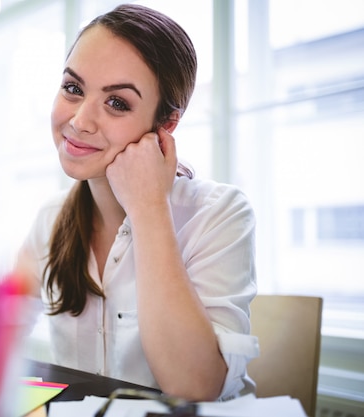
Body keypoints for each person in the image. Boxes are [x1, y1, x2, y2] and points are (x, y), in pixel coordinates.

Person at [16, 4, 258, 402]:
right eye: (73, 88)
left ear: (165, 126)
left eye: (117, 103)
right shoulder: (51, 219)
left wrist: (148, 207)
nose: (79, 121)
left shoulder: (220, 213)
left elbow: (195, 388)